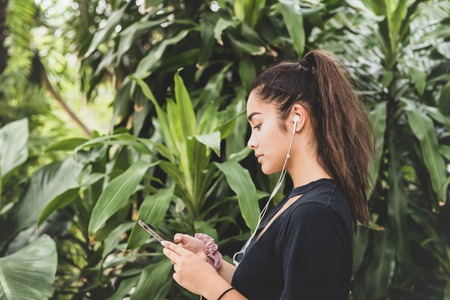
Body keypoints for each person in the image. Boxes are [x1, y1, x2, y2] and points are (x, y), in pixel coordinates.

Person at [161, 49, 374, 299]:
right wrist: (211, 266)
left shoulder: (316, 213)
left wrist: (210, 287)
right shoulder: (298, 200)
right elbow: (263, 287)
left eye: (258, 125)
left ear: (296, 118)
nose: (251, 142)